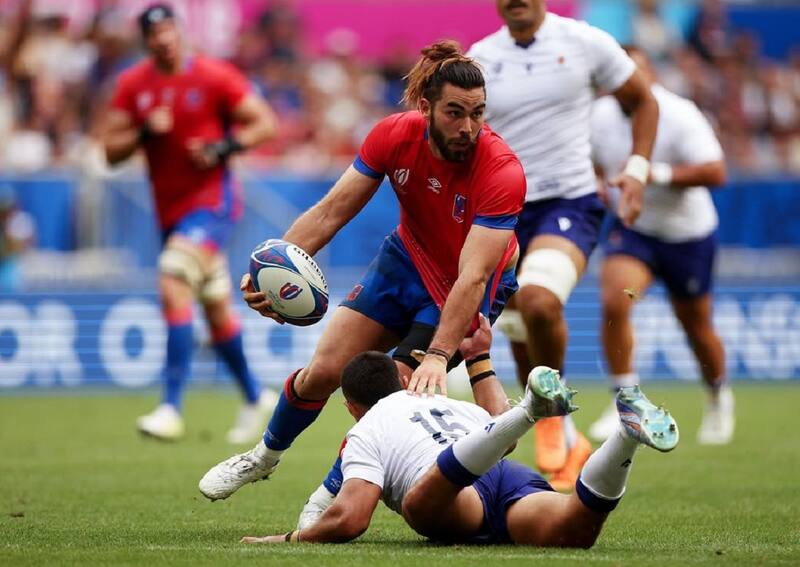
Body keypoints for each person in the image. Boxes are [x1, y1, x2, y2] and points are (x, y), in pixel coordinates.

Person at [198, 41, 527, 502]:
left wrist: (437, 354)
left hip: (464, 286)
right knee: (324, 371)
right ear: (426, 106)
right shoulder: (393, 136)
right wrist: (271, 273)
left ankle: (327, 499)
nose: (468, 127)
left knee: (393, 389)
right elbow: (331, 213)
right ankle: (263, 457)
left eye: (478, 113)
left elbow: (473, 277)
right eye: (455, 112)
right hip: (405, 260)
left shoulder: (502, 171)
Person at [466, 0, 660, 489]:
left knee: (538, 302)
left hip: (568, 203)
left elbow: (644, 101)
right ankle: (559, 426)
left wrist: (636, 171)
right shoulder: (481, 58)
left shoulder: (584, 42)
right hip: (500, 210)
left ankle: (553, 416)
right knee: (514, 323)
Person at [237, 347, 678, 545]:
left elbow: (350, 519)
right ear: (403, 380)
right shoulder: (441, 400)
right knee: (574, 530)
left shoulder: (365, 429)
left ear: (351, 407)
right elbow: (498, 444)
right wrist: (481, 358)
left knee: (417, 505)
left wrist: (291, 537)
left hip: (454, 493)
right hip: (505, 477)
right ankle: (625, 434)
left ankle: (528, 411)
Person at [102, 4, 279, 443]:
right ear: (145, 40)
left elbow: (265, 124)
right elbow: (110, 150)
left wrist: (222, 148)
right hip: (171, 213)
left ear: (179, 32)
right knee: (216, 307)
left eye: (168, 30)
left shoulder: (215, 76)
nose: (163, 39)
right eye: (154, 33)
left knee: (172, 280)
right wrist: (144, 132)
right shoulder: (133, 85)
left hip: (212, 205)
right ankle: (257, 396)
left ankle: (170, 407)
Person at [588, 46, 732, 445]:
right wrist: (598, 181)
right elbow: (594, 160)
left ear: (650, 75)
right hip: (634, 228)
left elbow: (717, 171)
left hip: (687, 234)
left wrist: (656, 173)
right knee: (616, 303)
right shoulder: (599, 115)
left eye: (637, 71)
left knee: (696, 326)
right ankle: (625, 401)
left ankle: (718, 395)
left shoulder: (680, 113)